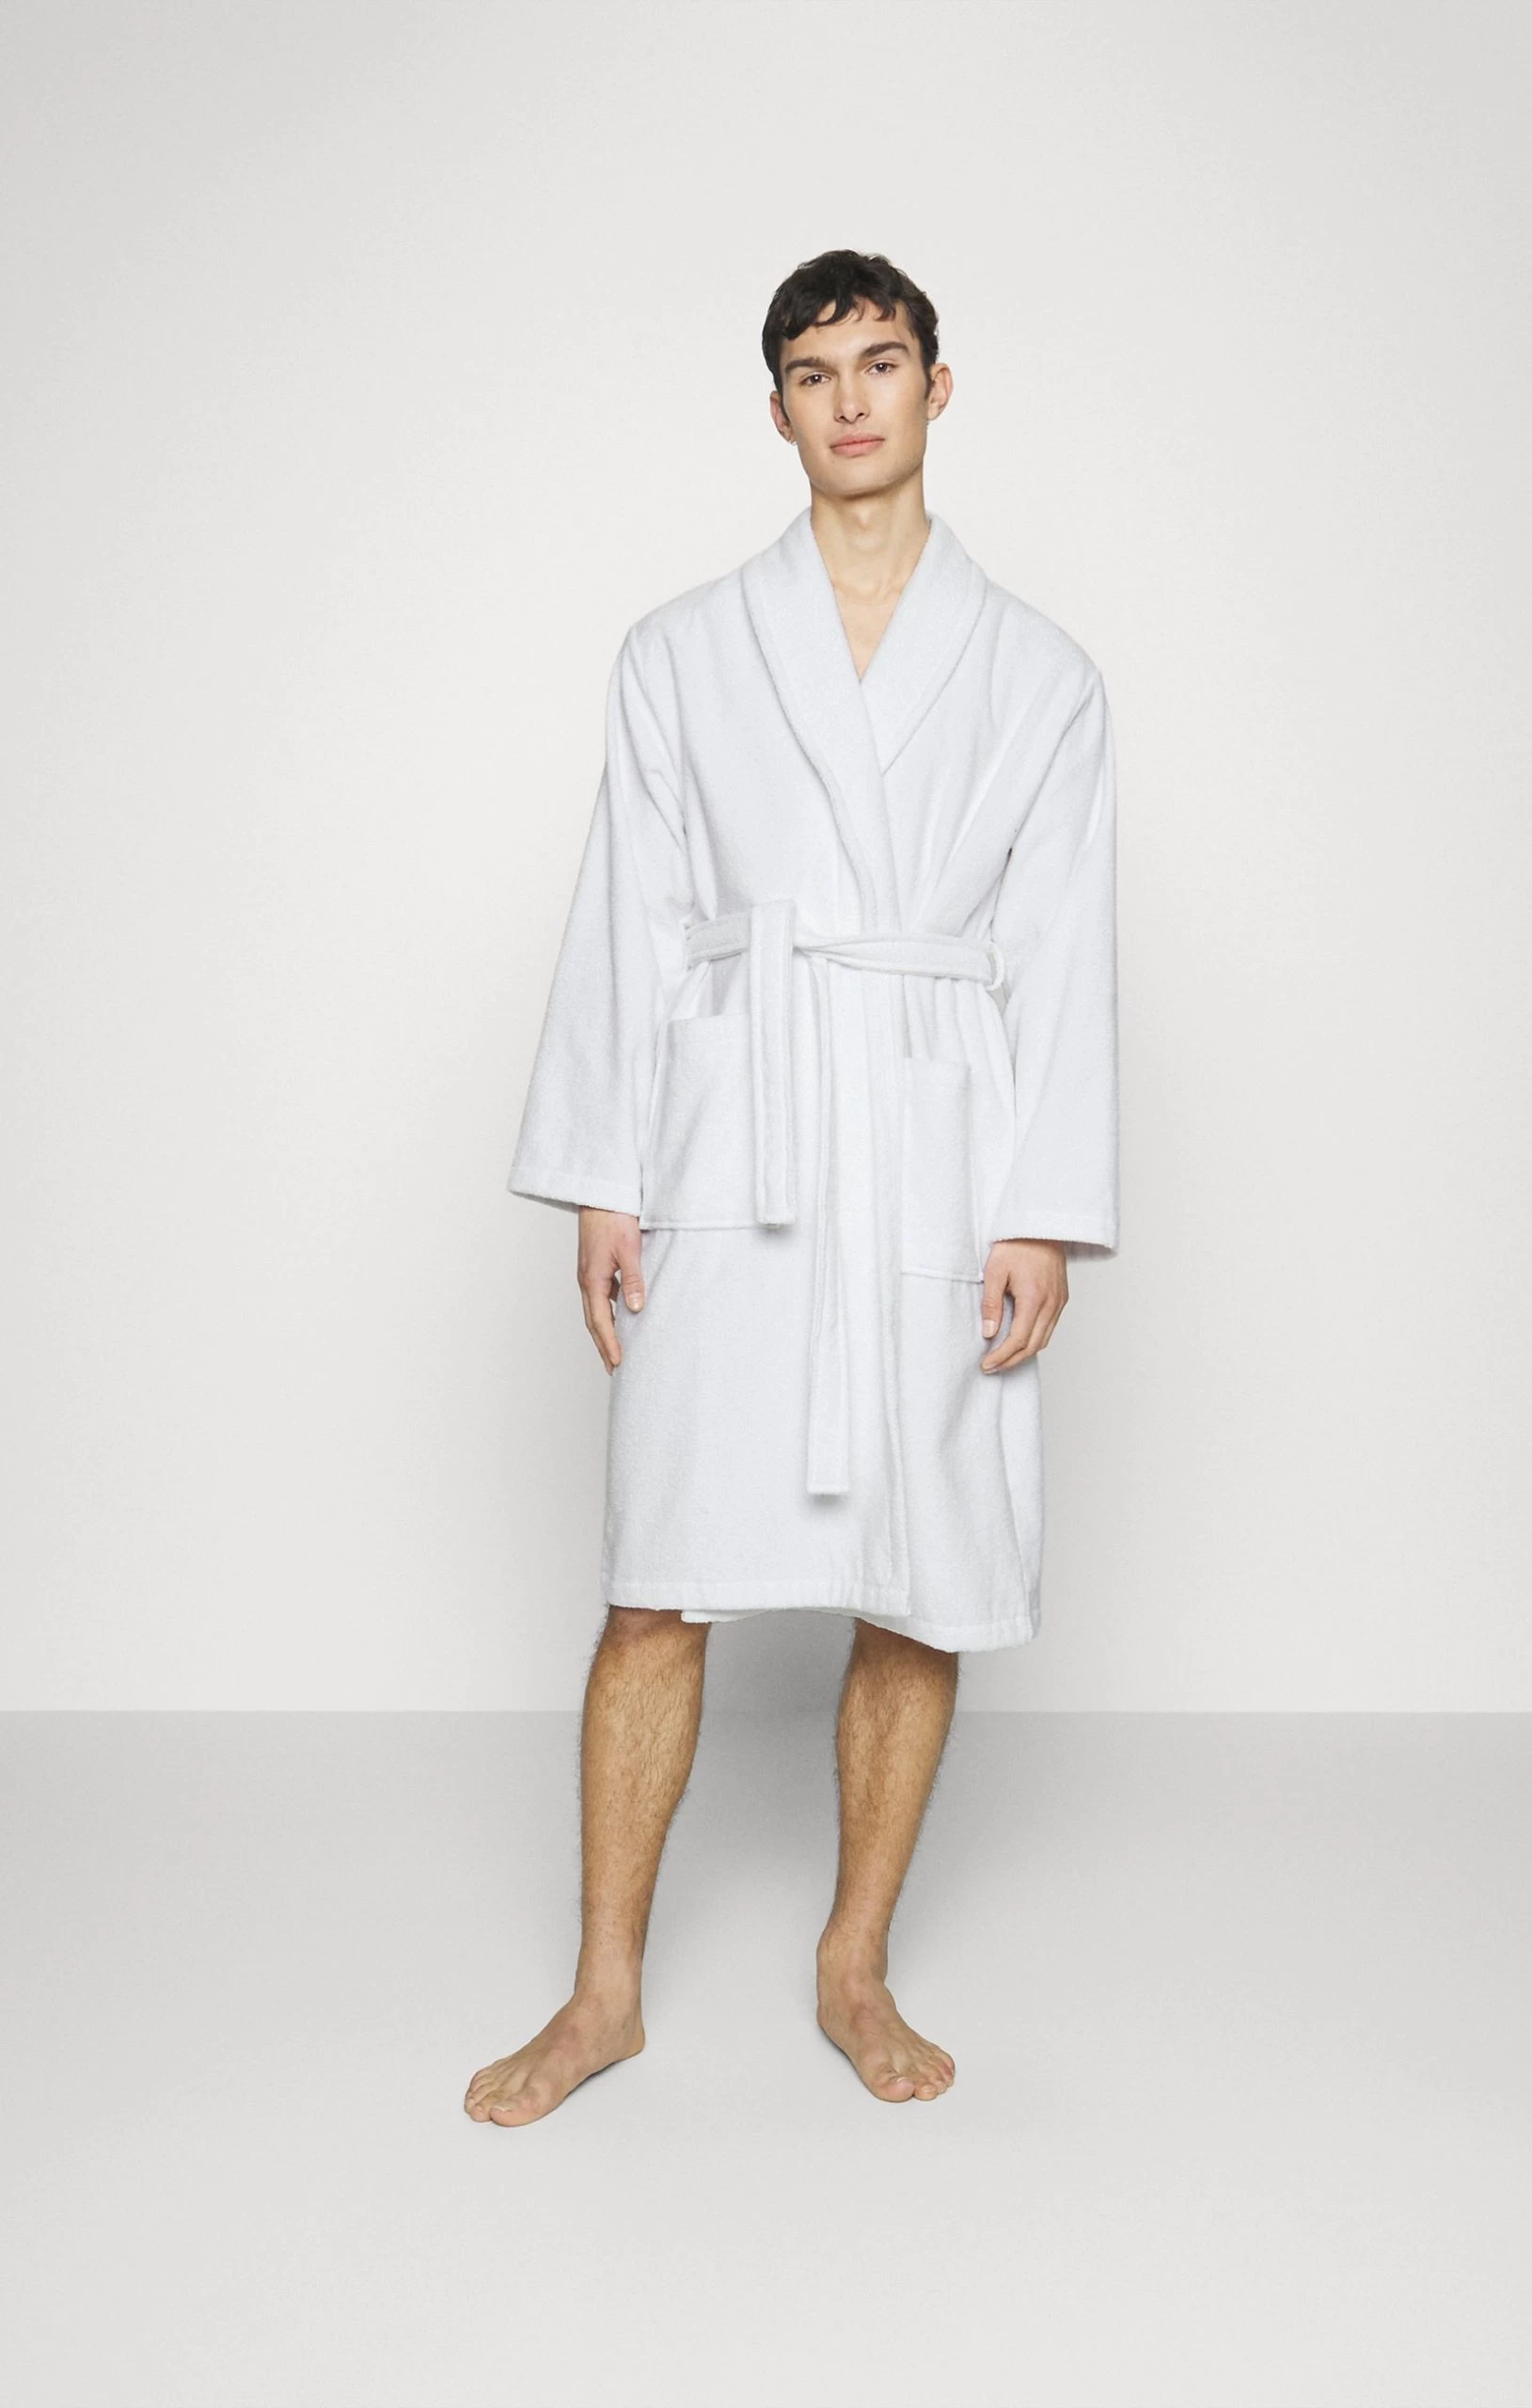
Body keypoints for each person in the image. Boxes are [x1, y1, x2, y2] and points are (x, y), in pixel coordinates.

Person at [466, 248, 1118, 2125]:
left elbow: (1061, 948)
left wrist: (1038, 1206)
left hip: (933, 1149)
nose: (851, 399)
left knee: (914, 1578)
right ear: (776, 411)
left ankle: (854, 1959)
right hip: (725, 1138)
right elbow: (630, 913)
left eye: (881, 363)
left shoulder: (1040, 672)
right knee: (658, 1572)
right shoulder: (679, 650)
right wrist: (604, 1179)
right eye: (815, 373)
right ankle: (603, 1988)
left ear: (935, 388)